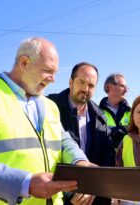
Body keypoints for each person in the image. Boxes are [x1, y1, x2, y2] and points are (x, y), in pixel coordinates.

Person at [0, 37, 92, 205]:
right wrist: (25, 183)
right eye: (48, 71)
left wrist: (80, 162)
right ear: (24, 63)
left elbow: (64, 141)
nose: (53, 79)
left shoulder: (50, 105)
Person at [47, 62, 115, 205]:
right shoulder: (49, 107)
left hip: (92, 197)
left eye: (91, 85)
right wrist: (69, 193)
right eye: (81, 82)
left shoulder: (100, 118)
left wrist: (94, 189)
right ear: (71, 82)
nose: (85, 88)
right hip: (57, 195)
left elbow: (107, 159)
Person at [99, 73, 131, 149]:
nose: (126, 90)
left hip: (126, 158)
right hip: (104, 158)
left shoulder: (132, 112)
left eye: (127, 87)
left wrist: (110, 131)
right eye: (122, 86)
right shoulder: (96, 111)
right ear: (110, 87)